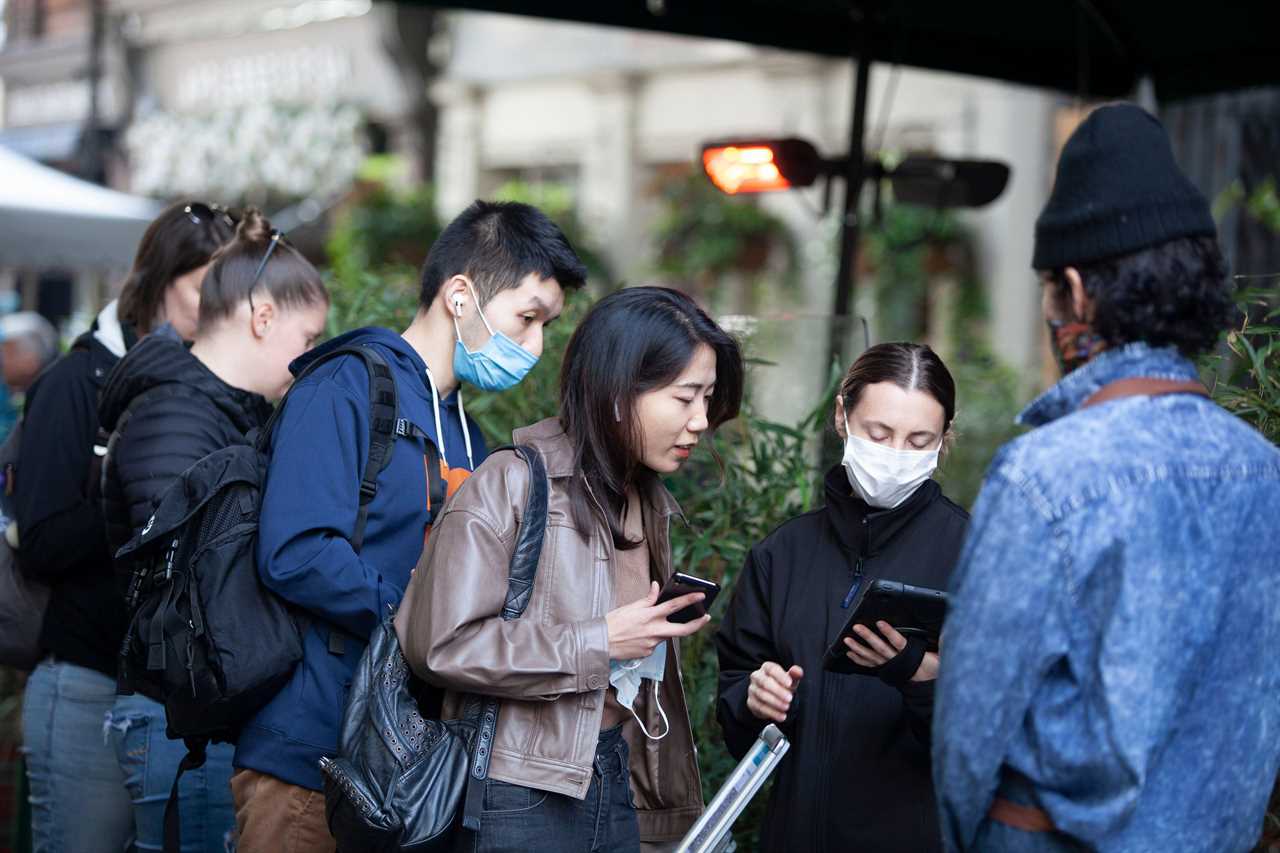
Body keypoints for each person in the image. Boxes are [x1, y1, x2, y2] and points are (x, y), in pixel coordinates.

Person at [933, 103, 1280, 852]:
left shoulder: (1043, 474)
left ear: (1078, 291)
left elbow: (969, 728)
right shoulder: (1267, 471)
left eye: (1052, 294)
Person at [231, 200, 588, 853]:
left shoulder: (469, 434)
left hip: (406, 773)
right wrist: (423, 623)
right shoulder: (346, 383)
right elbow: (296, 550)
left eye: (547, 326)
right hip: (311, 758)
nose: (535, 345)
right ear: (460, 295)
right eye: (527, 318)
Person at [395, 286, 744, 853]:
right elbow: (441, 644)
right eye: (685, 398)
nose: (701, 420)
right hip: (519, 784)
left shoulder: (646, 499)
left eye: (707, 399)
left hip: (613, 770)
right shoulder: (511, 482)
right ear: (616, 391)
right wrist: (599, 641)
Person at [98, 209, 328, 852]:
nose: (308, 358)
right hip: (189, 718)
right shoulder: (175, 412)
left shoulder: (222, 410)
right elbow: (191, 598)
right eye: (308, 338)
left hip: (205, 713)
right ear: (263, 318)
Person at [13, 200, 235, 852]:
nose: (221, 308)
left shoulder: (215, 393)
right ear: (157, 281)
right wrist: (147, 496)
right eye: (204, 290)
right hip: (86, 683)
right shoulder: (77, 380)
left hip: (176, 696)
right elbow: (43, 538)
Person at [714, 342, 968, 852]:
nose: (895, 454)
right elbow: (734, 704)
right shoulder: (782, 553)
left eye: (919, 440)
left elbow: (992, 738)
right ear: (841, 416)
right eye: (879, 433)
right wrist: (753, 699)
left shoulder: (973, 556)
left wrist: (918, 672)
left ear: (944, 441)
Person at [0, 311, 59, 441]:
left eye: (9, 353)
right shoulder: (5, 392)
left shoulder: (54, 398)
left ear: (31, 359)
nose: (2, 360)